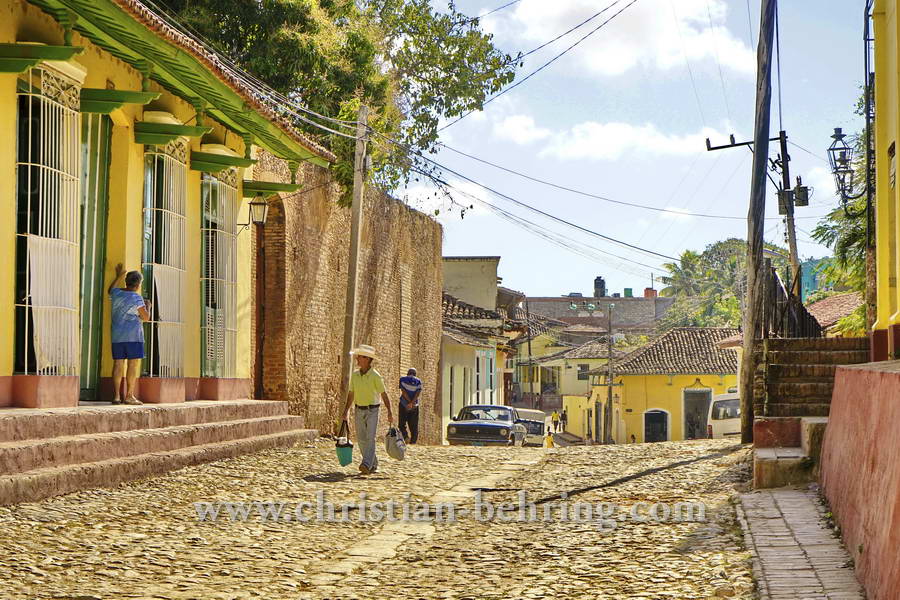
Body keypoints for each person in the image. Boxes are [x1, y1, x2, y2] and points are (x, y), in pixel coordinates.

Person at [342, 345, 395, 474]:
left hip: (373, 410)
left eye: (360, 357)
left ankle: (366, 463)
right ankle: (373, 463)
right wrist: (346, 411)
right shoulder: (355, 375)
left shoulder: (376, 376)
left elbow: (384, 394)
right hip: (359, 409)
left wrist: (389, 411)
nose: (357, 359)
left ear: (367, 359)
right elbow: (351, 394)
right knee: (361, 439)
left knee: (370, 438)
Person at [108, 264, 151, 405]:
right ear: (138, 284)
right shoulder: (137, 298)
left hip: (117, 336)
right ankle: (129, 395)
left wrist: (118, 275)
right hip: (134, 337)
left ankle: (115, 396)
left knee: (118, 363)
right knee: (133, 364)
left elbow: (110, 290)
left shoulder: (116, 293)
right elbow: (145, 317)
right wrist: (148, 305)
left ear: (126, 282)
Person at [398, 368, 422, 444]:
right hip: (414, 406)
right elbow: (418, 393)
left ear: (408, 373)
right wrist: (412, 402)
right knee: (414, 426)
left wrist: (408, 402)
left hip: (403, 404)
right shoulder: (418, 381)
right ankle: (413, 442)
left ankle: (405, 437)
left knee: (402, 424)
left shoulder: (402, 379)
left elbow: (403, 391)